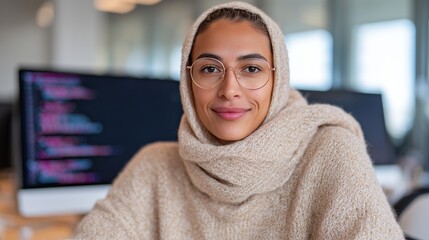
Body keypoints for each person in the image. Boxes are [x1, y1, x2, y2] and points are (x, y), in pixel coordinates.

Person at [73, 1, 404, 239]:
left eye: (251, 69)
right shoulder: (155, 166)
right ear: (188, 82)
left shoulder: (329, 151)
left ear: (278, 79)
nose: (230, 90)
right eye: (210, 69)